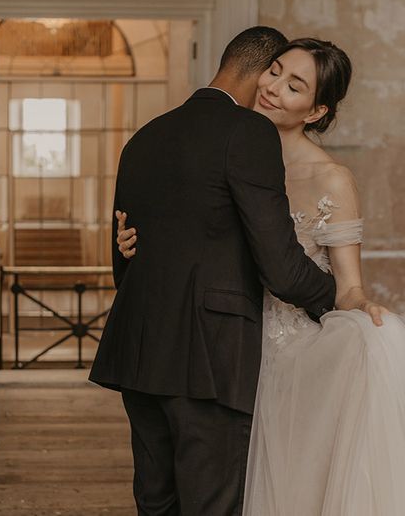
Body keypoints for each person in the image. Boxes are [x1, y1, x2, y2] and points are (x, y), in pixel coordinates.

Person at [117, 38, 405, 515]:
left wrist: (355, 303)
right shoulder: (228, 142)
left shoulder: (330, 178)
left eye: (294, 85)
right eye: (275, 71)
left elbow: (343, 283)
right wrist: (135, 245)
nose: (274, 88)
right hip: (218, 346)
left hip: (277, 349)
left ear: (316, 110)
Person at [89, 26, 338, 516]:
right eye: (275, 72)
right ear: (261, 67)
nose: (275, 87)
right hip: (209, 355)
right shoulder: (249, 132)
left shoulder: (145, 136)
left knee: (156, 503)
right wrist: (334, 297)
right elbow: (281, 268)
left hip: (139, 352)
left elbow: (124, 262)